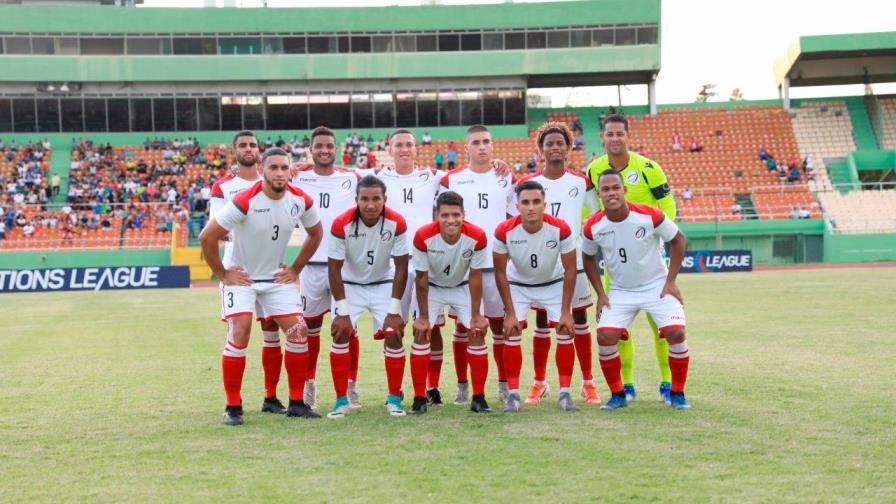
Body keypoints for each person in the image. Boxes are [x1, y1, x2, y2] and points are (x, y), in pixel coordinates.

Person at [199, 147, 324, 425]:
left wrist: (295, 268)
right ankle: (233, 406)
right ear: (263, 170)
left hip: (275, 279)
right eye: (273, 168)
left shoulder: (300, 199)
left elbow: (316, 233)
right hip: (242, 279)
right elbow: (207, 236)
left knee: (297, 331)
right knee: (241, 332)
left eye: (283, 168)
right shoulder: (246, 200)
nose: (279, 173)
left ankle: (295, 403)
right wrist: (222, 273)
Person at [586, 113, 677, 404]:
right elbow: (589, 209)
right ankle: (626, 385)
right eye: (609, 134)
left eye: (619, 134)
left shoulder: (649, 168)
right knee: (618, 327)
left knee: (660, 324)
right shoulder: (594, 169)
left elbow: (667, 204)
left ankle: (667, 381)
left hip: (650, 255)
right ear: (602, 137)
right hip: (615, 261)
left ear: (627, 136)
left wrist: (660, 238)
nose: (614, 139)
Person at [582, 169, 691, 411]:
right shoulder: (593, 225)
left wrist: (671, 281)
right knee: (605, 337)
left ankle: (677, 393)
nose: (611, 193)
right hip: (621, 291)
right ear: (599, 193)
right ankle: (618, 394)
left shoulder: (649, 215)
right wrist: (601, 294)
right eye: (606, 189)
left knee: (676, 332)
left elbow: (679, 239)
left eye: (615, 188)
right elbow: (588, 257)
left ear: (624, 190)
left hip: (656, 287)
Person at [516, 122, 601, 406]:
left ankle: (588, 383)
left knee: (578, 321)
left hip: (573, 263)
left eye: (559, 143)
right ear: (540, 149)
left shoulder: (581, 182)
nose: (555, 147)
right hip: (540, 266)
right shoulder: (528, 185)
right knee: (542, 321)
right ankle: (540, 382)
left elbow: (597, 215)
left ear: (569, 146)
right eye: (549, 143)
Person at [207, 131, 290, 414]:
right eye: (242, 145)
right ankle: (233, 404)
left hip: (270, 269)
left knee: (272, 333)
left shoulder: (276, 180)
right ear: (234, 152)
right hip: (239, 271)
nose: (248, 149)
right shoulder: (224, 187)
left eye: (253, 145)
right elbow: (219, 230)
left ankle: (270, 397)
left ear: (260, 151)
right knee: (240, 331)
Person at [438, 125, 516, 405]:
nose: (482, 147)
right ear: (466, 147)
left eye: (486, 142)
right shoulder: (451, 179)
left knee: (498, 328)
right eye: (476, 142)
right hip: (463, 265)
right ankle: (462, 386)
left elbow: (513, 217)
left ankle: (505, 384)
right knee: (464, 328)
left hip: (495, 264)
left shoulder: (506, 177)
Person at [290, 126, 361, 410]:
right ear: (311, 149)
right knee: (310, 327)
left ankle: (350, 387)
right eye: (319, 146)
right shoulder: (298, 177)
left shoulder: (352, 178)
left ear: (336, 149)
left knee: (347, 328)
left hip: (344, 267)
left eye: (329, 146)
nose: (324, 150)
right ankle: (310, 384)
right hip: (311, 265)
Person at [327, 175, 410, 418]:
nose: (371, 205)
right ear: (356, 200)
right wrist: (342, 312)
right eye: (365, 199)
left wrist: (394, 310)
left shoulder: (396, 222)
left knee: (394, 334)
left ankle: (394, 399)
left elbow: (402, 267)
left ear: (385, 199)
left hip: (383, 283)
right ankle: (341, 401)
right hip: (350, 285)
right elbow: (333, 269)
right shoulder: (342, 223)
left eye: (376, 199)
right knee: (340, 333)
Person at [493, 179, 578, 413]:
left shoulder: (560, 228)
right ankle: (513, 395)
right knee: (511, 331)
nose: (531, 207)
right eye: (526, 202)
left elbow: (570, 269)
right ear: (517, 206)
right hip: (518, 285)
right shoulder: (504, 230)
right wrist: (509, 313)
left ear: (544, 204)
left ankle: (565, 394)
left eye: (536, 202)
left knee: (564, 329)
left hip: (552, 283)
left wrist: (565, 311)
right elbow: (500, 272)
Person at [412, 191, 491, 413]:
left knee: (476, 331)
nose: (451, 220)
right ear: (437, 215)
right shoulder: (423, 236)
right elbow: (421, 278)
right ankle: (419, 398)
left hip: (463, 286)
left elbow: (476, 276)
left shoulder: (477, 236)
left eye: (456, 214)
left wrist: (476, 315)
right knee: (420, 332)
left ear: (463, 214)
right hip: (433, 288)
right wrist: (424, 317)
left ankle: (479, 397)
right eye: (445, 215)